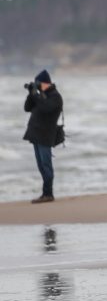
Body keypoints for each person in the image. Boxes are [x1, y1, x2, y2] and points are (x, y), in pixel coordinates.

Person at [23, 70, 63, 204]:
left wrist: (36, 94)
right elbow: (27, 108)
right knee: (41, 165)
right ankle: (45, 193)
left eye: (38, 83)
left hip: (45, 135)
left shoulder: (55, 97)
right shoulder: (41, 96)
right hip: (36, 134)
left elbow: (46, 108)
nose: (37, 85)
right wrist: (31, 93)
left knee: (46, 165)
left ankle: (48, 194)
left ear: (45, 83)